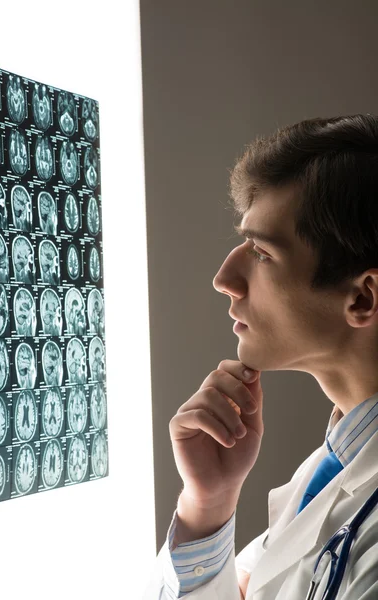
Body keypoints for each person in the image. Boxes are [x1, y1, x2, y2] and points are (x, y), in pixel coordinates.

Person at [143, 114, 378, 599]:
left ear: (363, 299)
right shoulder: (325, 472)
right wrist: (209, 502)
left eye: (262, 252)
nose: (224, 278)